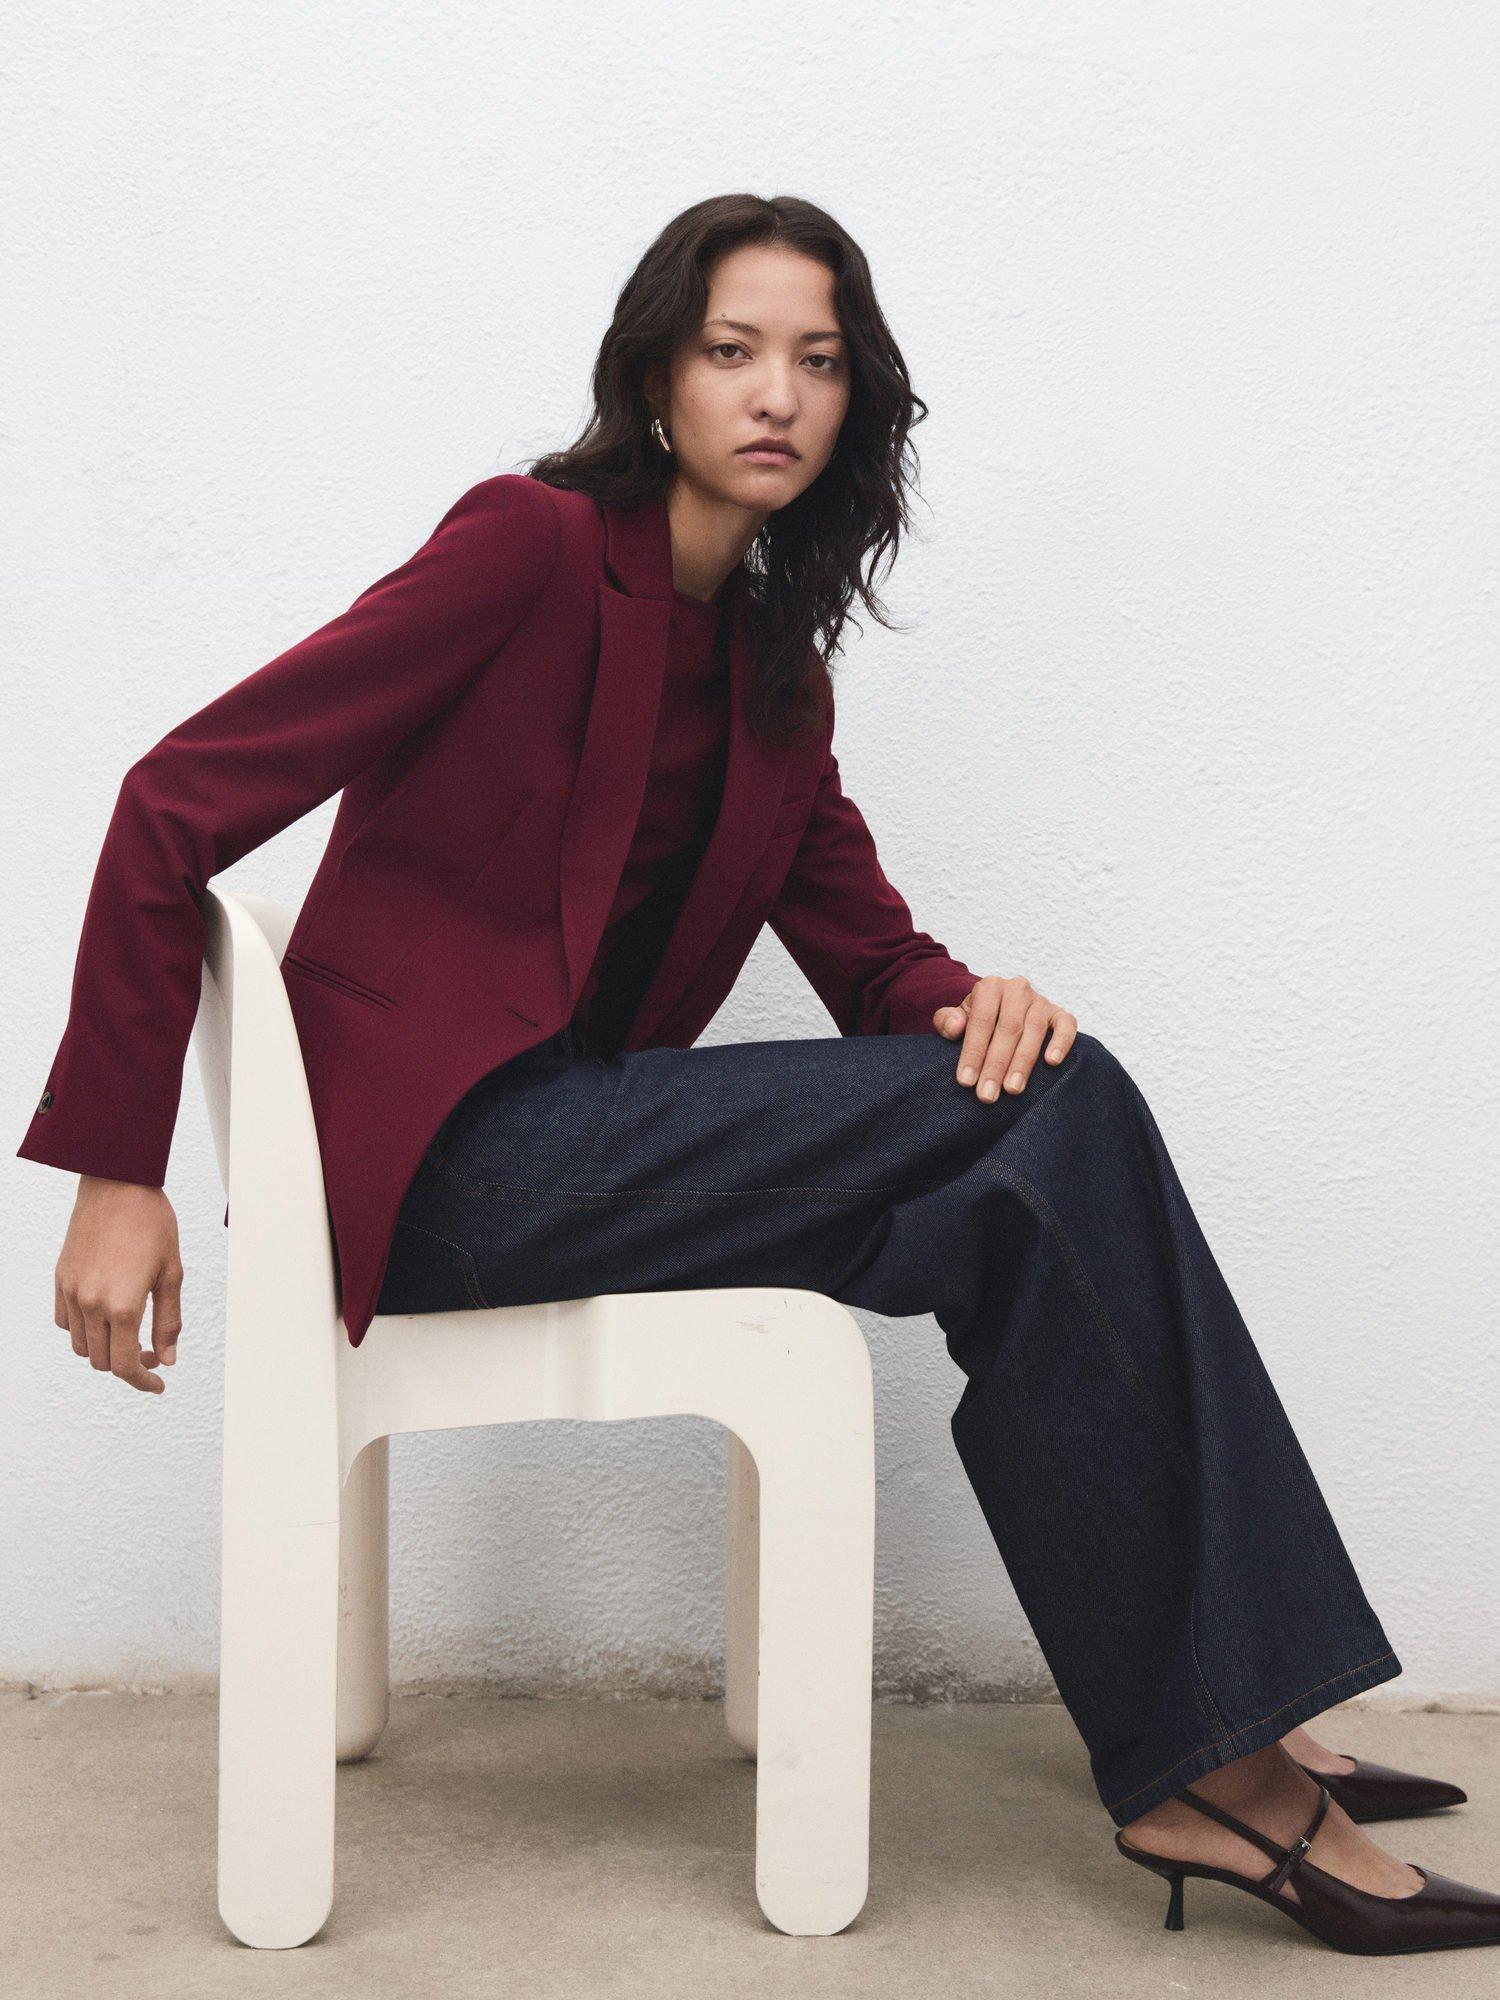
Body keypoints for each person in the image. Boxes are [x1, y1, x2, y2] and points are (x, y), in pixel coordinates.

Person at [19, 193, 1499, 1955]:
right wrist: (121, 1168)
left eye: (818, 361)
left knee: (1041, 1122)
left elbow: (872, 960)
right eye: (733, 351)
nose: (776, 393)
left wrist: (979, 1005)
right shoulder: (525, 547)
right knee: (1055, 1123)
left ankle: (1223, 1721)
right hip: (443, 1170)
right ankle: (1228, 1746)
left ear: (855, 403)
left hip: (572, 1150)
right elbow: (173, 798)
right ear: (659, 380)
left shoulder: (772, 673)